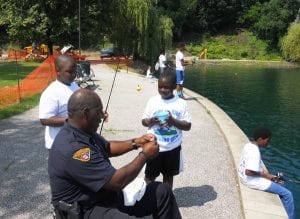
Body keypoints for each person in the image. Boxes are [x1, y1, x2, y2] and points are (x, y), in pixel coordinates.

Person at [48, 89, 182, 219]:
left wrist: (137, 142)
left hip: (106, 197)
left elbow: (107, 147)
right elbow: (117, 181)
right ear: (86, 113)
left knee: (162, 191)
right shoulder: (74, 149)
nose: (103, 116)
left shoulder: (83, 131)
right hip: (86, 209)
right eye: (99, 111)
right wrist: (145, 155)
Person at [142, 71, 191, 189]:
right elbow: (144, 121)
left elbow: (188, 126)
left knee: (168, 177)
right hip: (154, 146)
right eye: (160, 87)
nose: (163, 90)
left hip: (172, 148)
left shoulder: (181, 103)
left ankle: (166, 200)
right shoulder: (153, 101)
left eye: (166, 87)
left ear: (174, 87)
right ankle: (143, 199)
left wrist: (173, 121)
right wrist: (152, 120)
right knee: (149, 176)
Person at [238, 127, 295, 219]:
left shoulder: (249, 145)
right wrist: (265, 175)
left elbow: (253, 167)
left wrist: (270, 176)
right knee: (288, 195)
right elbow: (248, 172)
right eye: (267, 141)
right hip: (251, 181)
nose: (268, 143)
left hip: (244, 177)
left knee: (281, 183)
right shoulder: (255, 152)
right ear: (260, 139)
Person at [39, 55, 80, 149]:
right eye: (70, 72)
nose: (74, 74)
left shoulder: (74, 85)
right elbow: (45, 120)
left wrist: (96, 112)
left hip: (75, 141)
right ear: (58, 72)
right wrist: (73, 121)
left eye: (75, 71)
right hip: (58, 145)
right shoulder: (51, 92)